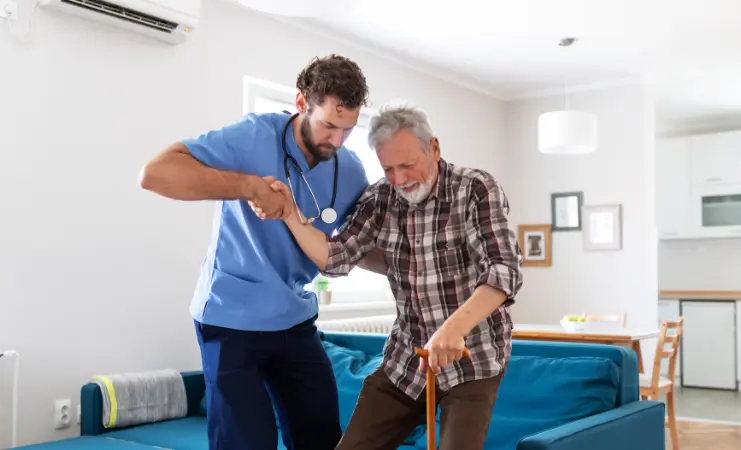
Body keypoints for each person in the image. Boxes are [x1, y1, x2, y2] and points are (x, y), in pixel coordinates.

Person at [139, 54, 385, 450]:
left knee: (321, 436)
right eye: (328, 126)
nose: (336, 141)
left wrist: (417, 270)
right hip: (230, 317)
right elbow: (156, 174)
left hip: (294, 319)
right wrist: (249, 187)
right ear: (302, 102)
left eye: (347, 129)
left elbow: (357, 248)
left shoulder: (350, 168)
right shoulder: (253, 137)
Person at [252, 103, 523, 450]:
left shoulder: (476, 188)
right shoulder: (381, 197)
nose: (400, 179)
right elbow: (335, 257)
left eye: (408, 165)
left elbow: (504, 268)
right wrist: (290, 213)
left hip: (473, 356)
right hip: (406, 359)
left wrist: (453, 329)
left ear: (434, 148)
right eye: (389, 169)